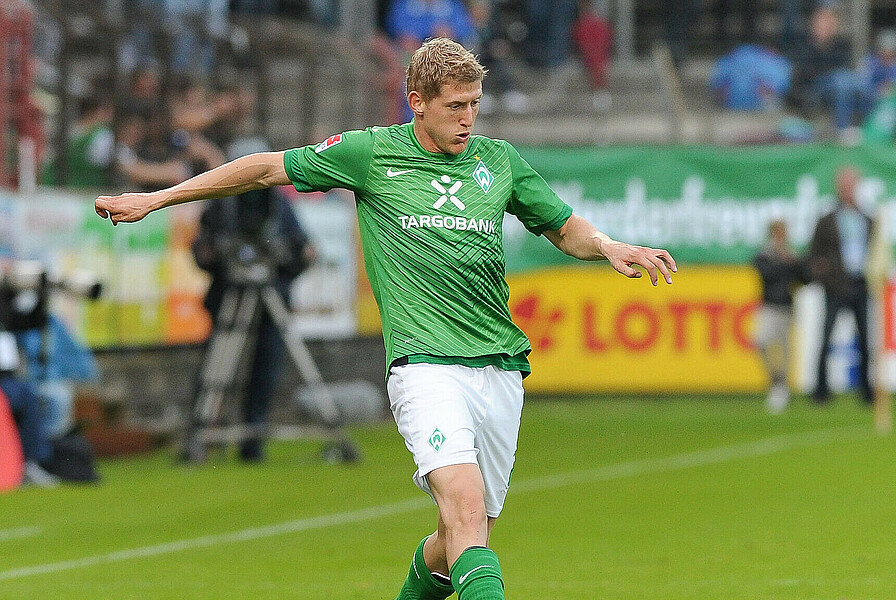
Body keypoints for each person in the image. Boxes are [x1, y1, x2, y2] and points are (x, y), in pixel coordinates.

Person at [96, 38, 676, 600]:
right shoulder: (370, 153)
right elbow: (265, 168)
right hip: (425, 366)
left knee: (458, 540)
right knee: (467, 512)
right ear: (417, 101)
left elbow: (563, 226)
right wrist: (160, 198)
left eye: (474, 104)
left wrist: (608, 246)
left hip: (499, 367)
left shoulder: (499, 161)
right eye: (455, 106)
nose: (468, 118)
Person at [190, 138, 315, 462]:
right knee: (215, 369)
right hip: (228, 297)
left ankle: (253, 440)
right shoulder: (218, 204)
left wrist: (282, 266)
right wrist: (218, 255)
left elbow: (302, 249)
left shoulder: (279, 204)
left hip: (270, 300)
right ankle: (201, 435)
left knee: (265, 370)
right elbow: (201, 250)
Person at [808, 166, 874, 405]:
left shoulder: (867, 218)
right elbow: (814, 253)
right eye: (844, 185)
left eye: (851, 185)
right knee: (825, 338)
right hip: (836, 286)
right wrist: (825, 276)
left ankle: (867, 391)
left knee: (865, 341)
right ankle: (821, 390)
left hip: (860, 283)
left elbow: (876, 251)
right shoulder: (827, 220)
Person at [752, 219, 808, 413]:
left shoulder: (791, 254)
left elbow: (804, 277)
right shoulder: (766, 254)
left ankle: (782, 387)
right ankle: (775, 380)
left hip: (786, 307)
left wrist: (792, 262)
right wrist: (785, 262)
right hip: (768, 306)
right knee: (760, 341)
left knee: (784, 350)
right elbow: (764, 273)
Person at [787, 3, 864, 142]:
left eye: (829, 21)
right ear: (813, 23)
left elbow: (848, 72)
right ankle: (842, 132)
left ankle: (865, 131)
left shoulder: (841, 46)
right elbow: (800, 83)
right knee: (841, 81)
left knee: (857, 84)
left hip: (840, 90)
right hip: (814, 93)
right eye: (822, 20)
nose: (825, 25)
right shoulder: (803, 47)